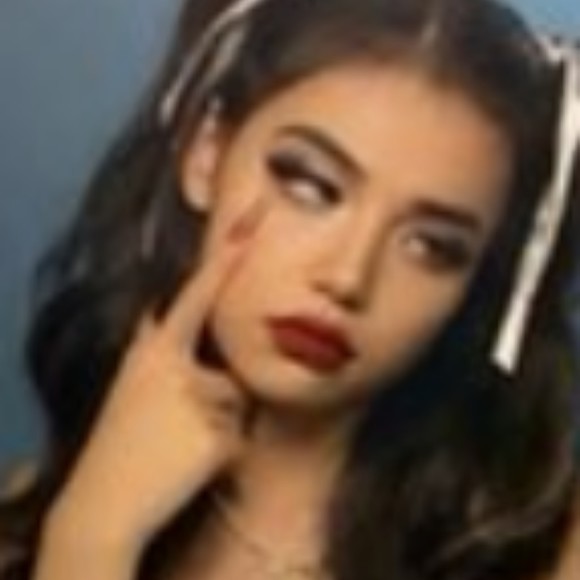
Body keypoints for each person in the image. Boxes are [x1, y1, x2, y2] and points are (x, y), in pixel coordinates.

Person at [0, 0, 579, 578]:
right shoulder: (38, 519)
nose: (348, 277)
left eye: (432, 246)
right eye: (312, 187)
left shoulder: (544, 554)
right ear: (206, 154)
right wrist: (93, 536)